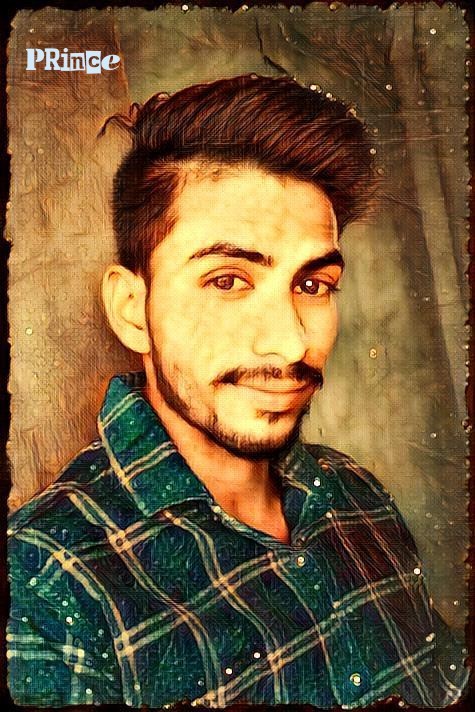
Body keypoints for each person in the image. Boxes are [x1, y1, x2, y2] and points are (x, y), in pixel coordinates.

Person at [7, 75, 468, 708]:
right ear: (133, 310)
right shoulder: (41, 585)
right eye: (228, 281)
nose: (289, 343)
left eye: (312, 286)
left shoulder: (358, 496)